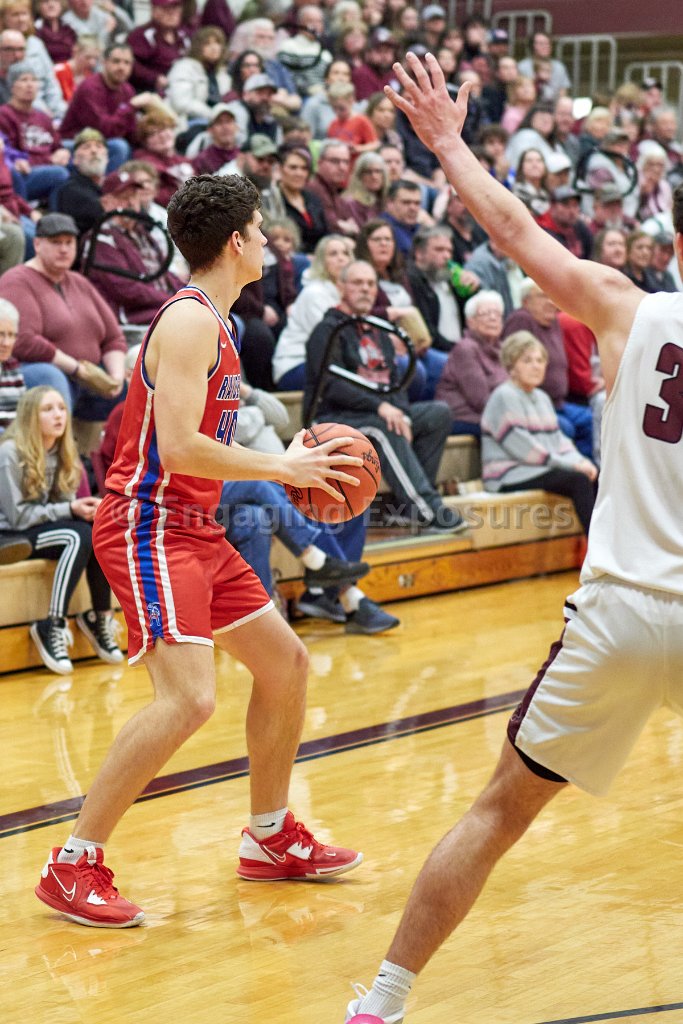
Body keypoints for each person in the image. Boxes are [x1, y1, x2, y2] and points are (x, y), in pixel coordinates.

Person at [344, 52, 683, 1024]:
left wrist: (447, 144)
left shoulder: (628, 308)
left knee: (497, 810)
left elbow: (513, 230)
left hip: (618, 611)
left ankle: (381, 1002)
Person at [34, 173, 364, 930]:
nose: (268, 239)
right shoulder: (188, 321)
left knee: (285, 665)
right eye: (260, 227)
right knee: (188, 698)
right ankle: (72, 864)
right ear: (236, 241)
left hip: (195, 526)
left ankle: (269, 835)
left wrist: (278, 461)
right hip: (148, 523)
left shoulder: (221, 321)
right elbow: (179, 447)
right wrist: (283, 467)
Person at [305, 259, 465, 533]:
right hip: (335, 418)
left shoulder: (379, 331)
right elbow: (331, 385)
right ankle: (427, 510)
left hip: (375, 412)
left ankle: (404, 508)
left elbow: (395, 383)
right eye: (358, 283)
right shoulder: (327, 330)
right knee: (383, 429)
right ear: (341, 287)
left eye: (371, 284)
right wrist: (380, 407)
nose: (365, 289)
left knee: (437, 414)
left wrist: (401, 413)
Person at [0, 385, 124, 674]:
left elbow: (64, 507)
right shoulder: (9, 452)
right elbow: (19, 517)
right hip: (10, 535)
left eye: (62, 408)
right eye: (48, 409)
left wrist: (86, 509)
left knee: (95, 529)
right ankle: (52, 624)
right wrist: (71, 509)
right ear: (30, 416)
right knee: (75, 535)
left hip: (41, 528)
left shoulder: (64, 451)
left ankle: (100, 617)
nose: (58, 415)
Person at [0, 212, 126, 419]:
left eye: (69, 242)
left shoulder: (79, 282)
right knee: (49, 375)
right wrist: (76, 369)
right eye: (56, 242)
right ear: (37, 244)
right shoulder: (17, 281)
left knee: (136, 379)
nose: (64, 249)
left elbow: (114, 338)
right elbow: (24, 340)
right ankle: (59, 441)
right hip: (42, 373)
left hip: (89, 376)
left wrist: (116, 378)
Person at [480, 331, 597, 533]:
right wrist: (572, 465)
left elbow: (559, 440)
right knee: (578, 480)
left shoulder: (542, 397)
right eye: (527, 361)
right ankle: (596, 546)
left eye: (540, 360)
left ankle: (606, 543)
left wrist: (581, 461)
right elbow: (523, 448)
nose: (536, 366)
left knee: (596, 474)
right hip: (509, 474)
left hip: (537, 468)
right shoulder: (504, 396)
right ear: (512, 366)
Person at [272, 232, 354, 390]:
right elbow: (329, 341)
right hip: (295, 364)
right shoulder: (314, 293)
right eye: (333, 254)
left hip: (328, 363)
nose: (341, 258)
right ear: (322, 261)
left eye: (345, 253)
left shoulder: (350, 292)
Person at [435, 290, 508, 438]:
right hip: (464, 417)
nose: (493, 318)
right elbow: (481, 400)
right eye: (486, 313)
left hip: (491, 414)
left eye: (497, 313)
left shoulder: (503, 349)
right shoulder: (466, 349)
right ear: (470, 322)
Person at [126, 0, 191, 95]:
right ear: (154, 10)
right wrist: (155, 78)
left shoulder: (184, 36)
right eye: (166, 8)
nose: (172, 13)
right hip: (148, 92)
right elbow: (130, 62)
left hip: (180, 91)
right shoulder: (141, 35)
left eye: (176, 8)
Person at [54, 127, 107, 234]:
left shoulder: (113, 185)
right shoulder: (70, 189)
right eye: (86, 147)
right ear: (75, 160)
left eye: (99, 146)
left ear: (107, 157)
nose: (94, 151)